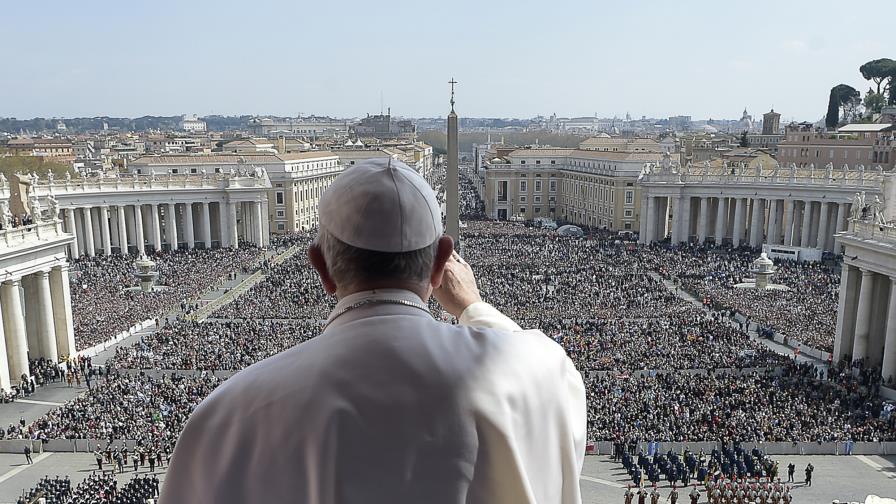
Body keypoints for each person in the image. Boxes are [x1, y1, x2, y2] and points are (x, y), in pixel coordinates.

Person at [160, 158, 587, 504]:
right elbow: (548, 378)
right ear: (441, 263)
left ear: (321, 268)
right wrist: (474, 308)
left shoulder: (227, 417)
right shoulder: (538, 372)